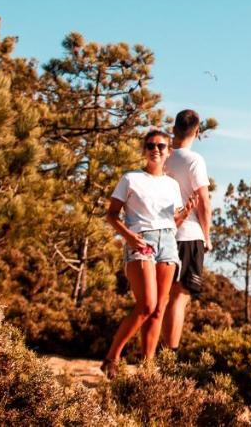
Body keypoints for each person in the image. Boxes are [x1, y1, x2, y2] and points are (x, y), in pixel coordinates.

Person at [101, 129, 195, 378]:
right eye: (151, 145)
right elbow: (111, 215)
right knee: (146, 305)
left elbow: (171, 222)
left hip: (168, 242)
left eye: (161, 146)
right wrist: (129, 236)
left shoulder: (172, 185)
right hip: (141, 241)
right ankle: (112, 356)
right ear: (144, 150)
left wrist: (185, 213)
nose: (156, 149)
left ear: (168, 152)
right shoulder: (130, 179)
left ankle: (147, 368)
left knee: (159, 309)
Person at [161, 108, 213, 351]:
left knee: (160, 298)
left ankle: (151, 353)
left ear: (174, 128)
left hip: (162, 233)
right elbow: (203, 201)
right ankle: (169, 355)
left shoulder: (163, 157)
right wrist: (207, 236)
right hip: (188, 235)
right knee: (179, 297)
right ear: (198, 131)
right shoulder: (194, 160)